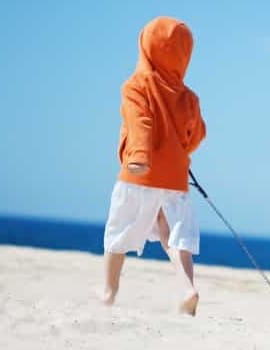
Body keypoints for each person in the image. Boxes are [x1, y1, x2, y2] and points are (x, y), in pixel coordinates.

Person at [101, 16, 206, 316]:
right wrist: (180, 152)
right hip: (174, 179)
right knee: (173, 234)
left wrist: (138, 156)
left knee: (119, 231)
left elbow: (140, 122)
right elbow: (196, 133)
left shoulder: (137, 85)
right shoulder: (189, 98)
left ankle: (109, 291)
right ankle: (187, 287)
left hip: (140, 173)